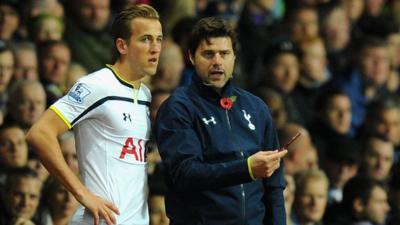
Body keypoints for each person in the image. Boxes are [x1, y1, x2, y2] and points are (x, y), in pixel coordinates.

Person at [26, 4, 162, 225]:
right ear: (122, 45)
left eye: (159, 39)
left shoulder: (145, 94)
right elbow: (39, 133)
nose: (155, 48)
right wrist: (81, 193)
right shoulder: (97, 85)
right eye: (146, 39)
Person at [155, 17, 288, 225]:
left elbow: (274, 185)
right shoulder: (178, 108)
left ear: (234, 57)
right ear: (191, 57)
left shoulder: (257, 108)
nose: (217, 61)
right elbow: (185, 173)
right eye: (208, 54)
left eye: (224, 54)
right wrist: (247, 169)